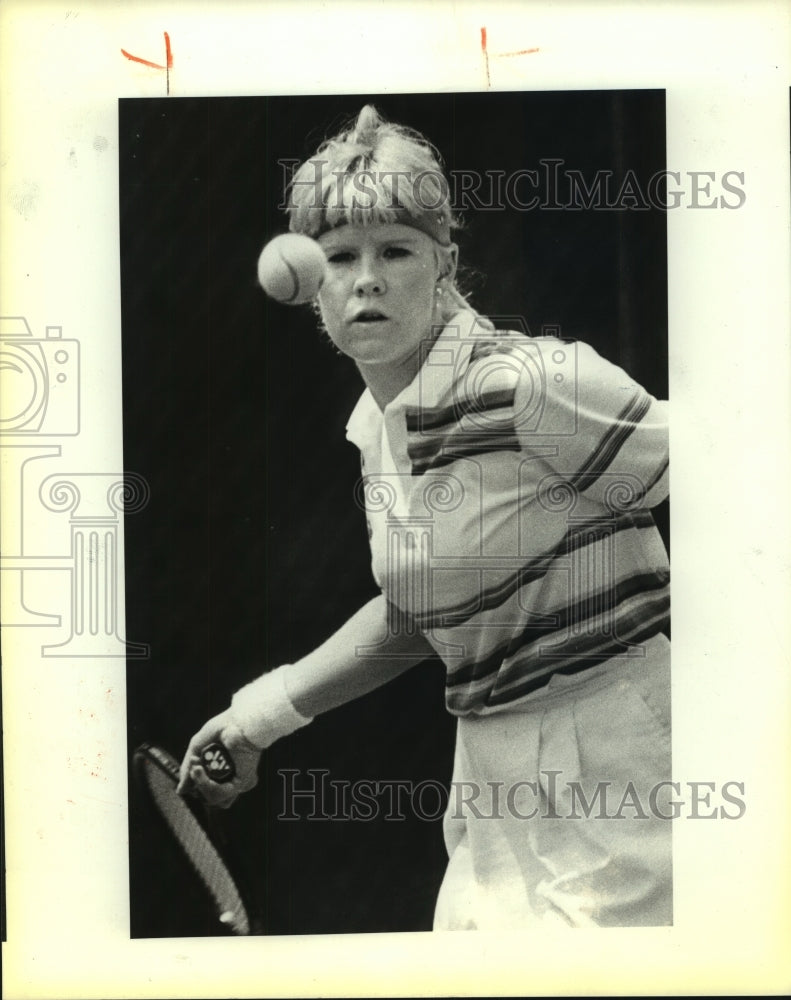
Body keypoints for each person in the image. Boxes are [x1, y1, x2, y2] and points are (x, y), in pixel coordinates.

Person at [178, 105, 671, 930]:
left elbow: (743, 477)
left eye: (394, 250)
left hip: (618, 753)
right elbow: (418, 619)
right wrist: (255, 718)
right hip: (486, 777)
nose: (365, 277)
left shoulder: (529, 383)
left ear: (443, 264)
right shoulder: (380, 435)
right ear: (314, 289)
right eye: (339, 256)